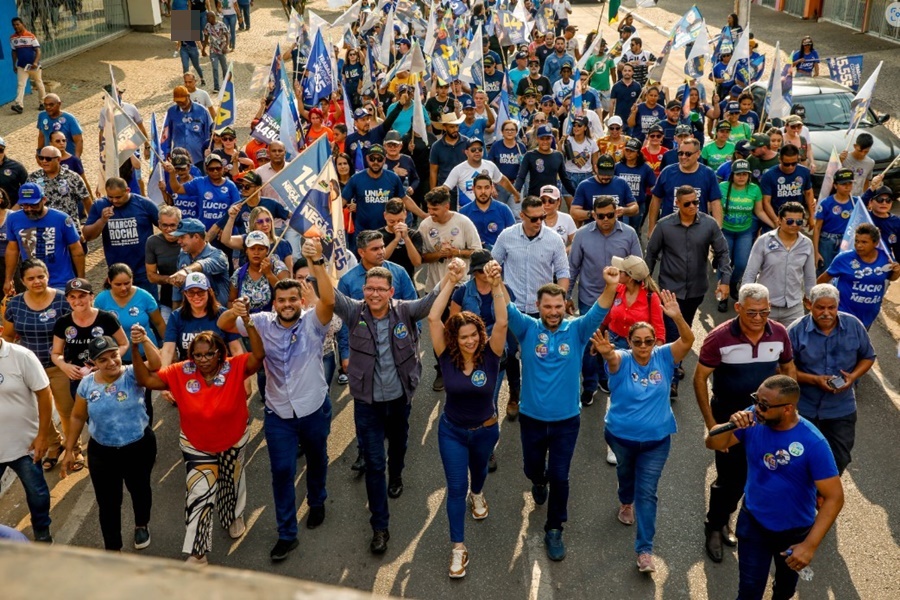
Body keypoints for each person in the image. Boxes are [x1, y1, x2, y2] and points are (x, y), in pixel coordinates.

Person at [333, 257, 466, 555]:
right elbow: (330, 297)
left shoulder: (405, 311)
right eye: (370, 289)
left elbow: (432, 302)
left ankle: (398, 473)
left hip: (398, 400)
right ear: (363, 291)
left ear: (391, 292)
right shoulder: (355, 312)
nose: (375, 294)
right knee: (373, 464)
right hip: (366, 404)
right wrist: (317, 261)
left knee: (398, 445)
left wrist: (451, 277)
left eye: (381, 289)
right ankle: (380, 527)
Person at [218, 239, 336, 562]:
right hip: (278, 413)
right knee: (282, 470)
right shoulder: (262, 322)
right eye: (280, 300)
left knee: (317, 458)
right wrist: (236, 310)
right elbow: (223, 324)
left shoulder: (314, 322)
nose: (286, 304)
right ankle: (287, 533)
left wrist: (318, 263)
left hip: (313, 408)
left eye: (292, 299)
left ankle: (317, 499)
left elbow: (329, 299)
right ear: (274, 302)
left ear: (301, 300)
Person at [509, 266, 620, 560]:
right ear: (538, 307)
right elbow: (505, 309)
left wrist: (610, 285)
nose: (554, 311)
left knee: (560, 475)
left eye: (558, 306)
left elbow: (598, 311)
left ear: (565, 306)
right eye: (547, 306)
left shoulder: (578, 331)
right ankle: (537, 480)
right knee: (533, 469)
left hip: (566, 422)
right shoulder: (527, 329)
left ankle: (555, 528)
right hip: (531, 419)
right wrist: (496, 284)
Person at [133, 319, 265, 565]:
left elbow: (258, 355)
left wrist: (248, 322)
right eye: (197, 355)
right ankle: (197, 553)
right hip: (197, 445)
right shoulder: (181, 370)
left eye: (208, 354)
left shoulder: (234, 366)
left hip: (232, 441)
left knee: (232, 483)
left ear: (219, 353)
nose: (203, 360)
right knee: (199, 495)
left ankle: (233, 516)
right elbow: (147, 381)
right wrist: (135, 347)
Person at [705, 375, 844, 600]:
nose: (757, 408)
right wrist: (729, 426)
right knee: (749, 590)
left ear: (788, 409)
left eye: (764, 405)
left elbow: (835, 497)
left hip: (794, 532)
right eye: (756, 400)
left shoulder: (813, 443)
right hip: (754, 523)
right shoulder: (753, 419)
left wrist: (809, 546)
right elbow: (713, 443)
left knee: (784, 591)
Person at [591, 289, 694, 573]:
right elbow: (612, 360)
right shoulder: (621, 359)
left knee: (647, 492)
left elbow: (688, 340)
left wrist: (677, 316)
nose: (644, 346)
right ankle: (625, 501)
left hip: (656, 441)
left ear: (655, 341)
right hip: (621, 437)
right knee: (626, 477)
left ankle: (645, 550)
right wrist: (607, 352)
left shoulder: (663, 356)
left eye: (648, 341)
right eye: (638, 342)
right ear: (629, 342)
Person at [693, 284, 796, 563]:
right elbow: (700, 378)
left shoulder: (780, 333)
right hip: (730, 420)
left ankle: (727, 518)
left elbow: (788, 369)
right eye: (752, 312)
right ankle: (714, 526)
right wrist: (712, 423)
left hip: (767, 422)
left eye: (764, 312)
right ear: (738, 308)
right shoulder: (719, 338)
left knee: (755, 476)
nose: (759, 318)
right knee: (729, 478)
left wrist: (789, 410)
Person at [429, 257, 506, 578]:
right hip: (452, 433)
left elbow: (502, 322)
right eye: (463, 336)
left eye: (474, 334)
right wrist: (450, 279)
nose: (470, 340)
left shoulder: (492, 355)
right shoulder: (446, 356)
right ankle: (458, 548)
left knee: (478, 477)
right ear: (455, 339)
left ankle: (479, 494)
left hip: (486, 432)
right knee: (456, 486)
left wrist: (498, 286)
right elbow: (434, 317)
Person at [60, 331, 157, 552]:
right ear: (93, 363)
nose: (110, 362)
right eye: (102, 359)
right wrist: (68, 449)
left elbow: (156, 362)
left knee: (140, 490)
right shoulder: (86, 384)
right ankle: (113, 549)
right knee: (108, 503)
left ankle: (142, 524)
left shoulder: (134, 373)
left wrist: (144, 340)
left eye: (113, 355)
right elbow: (77, 416)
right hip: (102, 452)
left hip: (138, 446)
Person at [646, 185, 731, 397]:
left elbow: (722, 252)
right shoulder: (664, 226)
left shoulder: (709, 224)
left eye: (695, 202)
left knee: (685, 328)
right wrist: (644, 282)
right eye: (688, 203)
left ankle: (677, 360)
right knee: (673, 331)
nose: (693, 206)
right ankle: (671, 379)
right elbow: (651, 254)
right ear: (678, 204)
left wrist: (725, 280)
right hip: (669, 290)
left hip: (696, 289)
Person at [492, 195, 570, 416]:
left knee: (540, 353)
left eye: (542, 217)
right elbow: (493, 264)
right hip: (513, 308)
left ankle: (536, 395)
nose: (539, 222)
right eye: (534, 218)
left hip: (541, 311)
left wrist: (559, 301)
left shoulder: (554, 239)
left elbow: (563, 273)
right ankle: (515, 395)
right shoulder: (506, 237)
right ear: (521, 215)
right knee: (510, 355)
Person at [788, 283, 875, 476]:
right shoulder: (795, 331)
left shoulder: (853, 325)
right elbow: (785, 368)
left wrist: (853, 377)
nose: (826, 313)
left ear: (838, 305)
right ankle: (804, 498)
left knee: (839, 458)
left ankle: (823, 499)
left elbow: (868, 356)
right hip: (805, 408)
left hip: (841, 408)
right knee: (800, 459)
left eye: (831, 307)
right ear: (809, 304)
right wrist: (813, 379)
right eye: (820, 307)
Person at [567, 196, 641, 401]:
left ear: (616, 212)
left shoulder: (629, 234)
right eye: (601, 216)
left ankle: (606, 377)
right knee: (589, 344)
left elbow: (637, 267)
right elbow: (572, 268)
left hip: (620, 300)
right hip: (590, 299)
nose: (606, 219)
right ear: (594, 215)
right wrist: (566, 295)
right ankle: (589, 385)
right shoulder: (582, 235)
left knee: (612, 343)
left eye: (610, 215)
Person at [1, 259, 70, 471]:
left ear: (48, 276)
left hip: (58, 366)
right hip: (26, 369)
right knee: (38, 412)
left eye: (41, 276)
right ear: (23, 281)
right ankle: (54, 444)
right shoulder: (15, 304)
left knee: (66, 409)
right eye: (31, 278)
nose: (37, 281)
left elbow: (72, 332)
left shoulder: (62, 301)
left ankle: (73, 448)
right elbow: (10, 335)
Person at [50, 276, 127, 405]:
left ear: (91, 297)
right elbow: (56, 353)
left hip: (108, 375)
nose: (77, 301)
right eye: (72, 297)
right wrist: (64, 366)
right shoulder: (63, 322)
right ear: (67, 299)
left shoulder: (107, 318)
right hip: (80, 379)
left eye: (82, 296)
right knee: (88, 417)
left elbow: (124, 343)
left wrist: (109, 362)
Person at [83, 178, 160, 300]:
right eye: (110, 197)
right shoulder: (100, 205)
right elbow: (87, 235)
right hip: (116, 273)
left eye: (118, 197)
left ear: (127, 190)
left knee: (149, 308)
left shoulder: (144, 204)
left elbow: (165, 227)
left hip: (143, 271)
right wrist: (102, 220)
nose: (114, 201)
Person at [743, 202, 817, 326]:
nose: (794, 225)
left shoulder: (807, 244)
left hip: (794, 308)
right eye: (789, 221)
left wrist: (812, 299)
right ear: (779, 220)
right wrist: (744, 300)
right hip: (764, 307)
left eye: (799, 222)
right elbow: (750, 273)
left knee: (794, 343)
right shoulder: (763, 241)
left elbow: (809, 277)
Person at [4, 182, 84, 294]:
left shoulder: (61, 218)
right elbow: (12, 250)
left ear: (44, 200)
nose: (29, 209)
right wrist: (9, 279)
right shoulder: (13, 219)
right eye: (25, 205)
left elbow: (76, 249)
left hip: (61, 282)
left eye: (34, 205)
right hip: (32, 282)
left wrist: (81, 279)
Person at [817, 223, 900, 329]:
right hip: (843, 314)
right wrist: (818, 302)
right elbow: (822, 280)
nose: (858, 245)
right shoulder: (844, 258)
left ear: (875, 243)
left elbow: (891, 278)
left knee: (858, 345)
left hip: (868, 317)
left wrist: (897, 272)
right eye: (856, 241)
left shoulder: (886, 258)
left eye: (864, 242)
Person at [719, 159, 773, 310]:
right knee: (725, 264)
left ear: (749, 175)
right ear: (732, 175)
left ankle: (731, 283)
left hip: (745, 232)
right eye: (738, 174)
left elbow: (759, 211)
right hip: (725, 232)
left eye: (745, 174)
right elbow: (714, 208)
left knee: (742, 264)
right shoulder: (723, 187)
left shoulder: (754, 189)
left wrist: (775, 224)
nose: (741, 177)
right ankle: (722, 296)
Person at [647, 138, 723, 234]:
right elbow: (656, 200)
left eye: (688, 154)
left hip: (698, 231)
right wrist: (651, 229)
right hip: (669, 231)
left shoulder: (708, 174)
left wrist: (717, 232)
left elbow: (715, 203)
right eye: (680, 153)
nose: (683, 157)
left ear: (698, 154)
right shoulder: (667, 172)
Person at [169, 217, 231, 311]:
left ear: (196, 237)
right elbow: (177, 291)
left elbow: (205, 264)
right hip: (190, 316)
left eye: (182, 237)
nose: (179, 241)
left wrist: (186, 271)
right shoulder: (183, 255)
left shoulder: (218, 256)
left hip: (216, 316)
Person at [27, 145, 91, 226]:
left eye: (48, 159)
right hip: (42, 228)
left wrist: (91, 224)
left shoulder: (73, 177)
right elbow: (26, 202)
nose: (44, 161)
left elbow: (86, 200)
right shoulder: (33, 178)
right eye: (41, 158)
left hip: (68, 228)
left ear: (58, 159)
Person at [515, 125, 577, 203]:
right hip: (534, 198)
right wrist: (517, 191)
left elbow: (565, 179)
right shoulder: (529, 155)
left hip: (551, 199)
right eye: (542, 139)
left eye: (548, 139)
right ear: (537, 139)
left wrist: (575, 194)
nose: (545, 142)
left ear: (552, 139)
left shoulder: (558, 155)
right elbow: (521, 176)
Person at [814, 169, 859, 274]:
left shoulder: (856, 202)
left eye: (850, 183)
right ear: (835, 186)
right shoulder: (826, 203)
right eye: (843, 184)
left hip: (847, 239)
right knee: (825, 270)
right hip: (827, 241)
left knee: (845, 270)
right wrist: (816, 252)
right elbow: (817, 228)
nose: (847, 187)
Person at [146, 205, 184, 321]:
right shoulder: (153, 242)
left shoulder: (189, 238)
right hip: (167, 299)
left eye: (172, 225)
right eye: (164, 225)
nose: (168, 229)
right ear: (159, 224)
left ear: (180, 223)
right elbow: (151, 276)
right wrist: (170, 279)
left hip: (193, 299)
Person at [459, 173, 517, 249]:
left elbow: (514, 236)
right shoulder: (464, 212)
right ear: (473, 189)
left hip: (498, 257)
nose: (483, 191)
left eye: (486, 188)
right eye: (479, 188)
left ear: (492, 188)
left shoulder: (503, 209)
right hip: (472, 256)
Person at [161, 85, 214, 168]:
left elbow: (209, 131)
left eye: (182, 101)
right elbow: (167, 133)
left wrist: (208, 150)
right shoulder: (171, 112)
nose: (181, 104)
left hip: (199, 157)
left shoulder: (202, 111)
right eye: (178, 102)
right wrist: (167, 150)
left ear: (188, 96)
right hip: (179, 158)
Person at [379, 198, 424, 281]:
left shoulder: (414, 235)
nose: (396, 225)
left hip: (407, 281)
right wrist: (396, 240)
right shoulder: (378, 235)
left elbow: (417, 262)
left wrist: (406, 238)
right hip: (384, 282)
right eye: (392, 222)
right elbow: (380, 259)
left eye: (400, 220)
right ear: (385, 216)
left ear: (405, 214)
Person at [10, 17, 47, 115]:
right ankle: (19, 105)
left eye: (18, 24)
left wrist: (35, 62)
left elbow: (38, 50)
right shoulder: (13, 38)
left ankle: (43, 103)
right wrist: (14, 65)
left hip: (34, 66)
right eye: (14, 25)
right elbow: (14, 52)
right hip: (21, 66)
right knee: (21, 85)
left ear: (22, 24)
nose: (16, 26)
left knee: (39, 83)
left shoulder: (30, 36)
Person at [201, 11, 230, 92]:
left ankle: (225, 85)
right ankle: (216, 87)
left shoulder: (221, 25)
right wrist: (203, 50)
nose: (207, 19)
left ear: (213, 17)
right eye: (206, 17)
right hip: (213, 51)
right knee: (215, 68)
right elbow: (206, 39)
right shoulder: (207, 26)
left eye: (208, 17)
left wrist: (226, 46)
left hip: (222, 50)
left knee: (224, 68)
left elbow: (227, 36)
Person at [840, 133, 875, 197]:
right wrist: (839, 161)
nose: (862, 154)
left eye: (866, 151)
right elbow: (831, 176)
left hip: (858, 198)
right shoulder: (843, 158)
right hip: (843, 197)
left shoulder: (870, 163)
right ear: (855, 146)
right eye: (859, 151)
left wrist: (866, 198)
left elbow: (866, 182)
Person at [0, 136, 29, 203]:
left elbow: (28, 190)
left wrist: (19, 205)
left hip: (12, 209)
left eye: (0, 150)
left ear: (4, 150)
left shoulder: (16, 167)